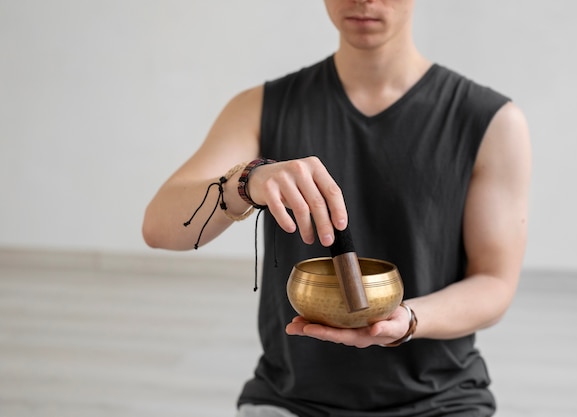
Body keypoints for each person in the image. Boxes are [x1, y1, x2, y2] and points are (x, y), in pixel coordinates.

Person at [142, 0, 531, 415]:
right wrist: (245, 181)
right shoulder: (259, 107)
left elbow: (494, 284)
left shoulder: (490, 120)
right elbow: (160, 228)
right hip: (292, 400)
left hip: (441, 400)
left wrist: (406, 320)